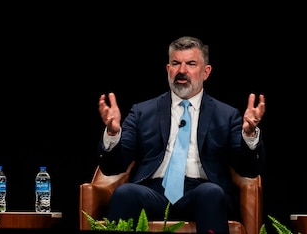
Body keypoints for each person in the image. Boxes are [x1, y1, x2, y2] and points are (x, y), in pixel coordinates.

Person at [97, 35, 265, 234]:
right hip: (153, 190)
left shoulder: (226, 115)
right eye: (176, 63)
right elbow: (112, 167)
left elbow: (248, 169)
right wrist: (113, 133)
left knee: (210, 193)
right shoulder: (142, 112)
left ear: (206, 72)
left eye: (191, 64)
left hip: (202, 189)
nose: (182, 71)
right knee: (125, 193)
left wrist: (250, 134)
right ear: (168, 70)